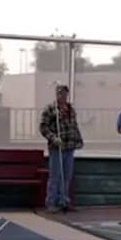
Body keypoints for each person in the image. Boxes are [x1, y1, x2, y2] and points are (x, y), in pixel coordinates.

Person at [39, 84, 83, 212]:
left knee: (67, 176)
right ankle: (51, 202)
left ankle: (63, 200)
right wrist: (53, 138)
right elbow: (43, 127)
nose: (61, 95)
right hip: (57, 147)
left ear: (67, 94)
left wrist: (78, 140)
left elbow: (74, 126)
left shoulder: (71, 109)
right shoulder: (50, 109)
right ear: (56, 94)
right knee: (55, 175)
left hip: (70, 146)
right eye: (59, 93)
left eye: (63, 93)